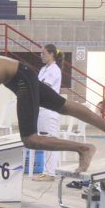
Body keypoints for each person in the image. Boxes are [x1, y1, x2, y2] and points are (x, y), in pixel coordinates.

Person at [33, 44, 63, 182]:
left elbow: (43, 88)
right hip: (42, 109)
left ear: (51, 54)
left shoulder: (54, 70)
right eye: (41, 53)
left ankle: (50, 173)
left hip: (50, 111)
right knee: (44, 141)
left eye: (44, 53)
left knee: (50, 141)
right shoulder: (44, 69)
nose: (41, 56)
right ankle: (46, 171)